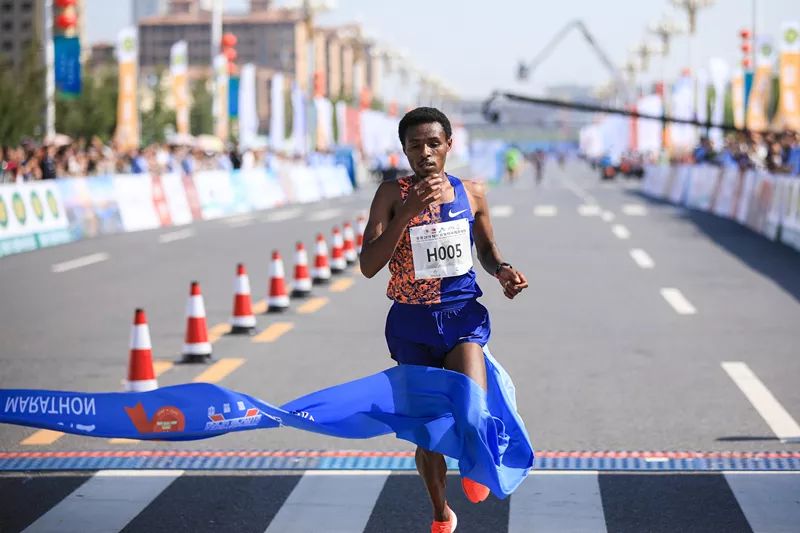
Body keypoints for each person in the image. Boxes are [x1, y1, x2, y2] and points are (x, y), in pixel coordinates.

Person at [359, 107, 529, 533]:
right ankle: (441, 512)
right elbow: (369, 265)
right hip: (411, 325)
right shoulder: (390, 194)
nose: (425, 153)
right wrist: (407, 212)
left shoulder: (471, 192)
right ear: (404, 150)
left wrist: (502, 270)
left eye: (433, 143)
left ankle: (475, 458)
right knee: (427, 432)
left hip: (461, 318)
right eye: (415, 145)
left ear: (449, 145)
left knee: (471, 411)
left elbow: (486, 249)